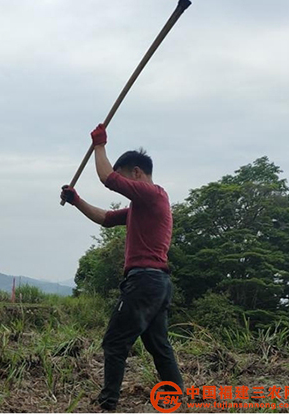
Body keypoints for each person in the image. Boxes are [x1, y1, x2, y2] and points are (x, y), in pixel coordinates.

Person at [61, 124, 184, 411]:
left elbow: (108, 178)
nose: (126, 184)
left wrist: (100, 145)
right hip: (157, 284)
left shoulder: (152, 194)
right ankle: (178, 397)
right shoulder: (144, 207)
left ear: (137, 174)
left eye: (127, 176)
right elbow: (104, 217)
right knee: (159, 346)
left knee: (114, 342)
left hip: (144, 282)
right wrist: (76, 201)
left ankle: (108, 403)